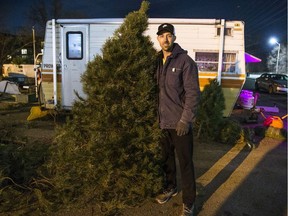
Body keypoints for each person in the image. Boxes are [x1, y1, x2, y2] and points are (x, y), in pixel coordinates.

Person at [155, 23, 200, 216]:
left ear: (174, 37)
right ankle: (170, 186)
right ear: (157, 38)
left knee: (185, 163)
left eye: (169, 35)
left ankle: (189, 202)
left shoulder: (185, 62)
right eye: (162, 35)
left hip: (180, 123)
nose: (165, 39)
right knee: (166, 159)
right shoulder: (156, 61)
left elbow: (193, 94)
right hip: (162, 122)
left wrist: (185, 120)